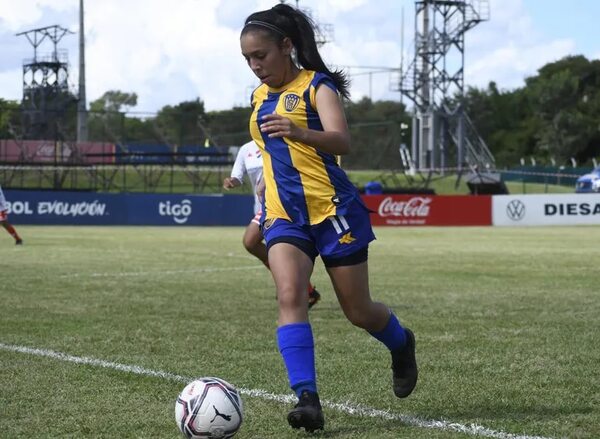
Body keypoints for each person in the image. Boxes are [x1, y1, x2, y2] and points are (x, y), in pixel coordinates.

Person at [240, 4, 417, 433]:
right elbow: (270, 148)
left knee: (358, 311)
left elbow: (342, 140)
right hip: (285, 216)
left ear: (287, 46)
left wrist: (299, 131)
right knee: (289, 295)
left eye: (261, 55)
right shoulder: (258, 97)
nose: (255, 65)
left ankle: (401, 343)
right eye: (247, 59)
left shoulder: (317, 88)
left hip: (333, 212)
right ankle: (307, 398)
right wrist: (266, 179)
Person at [223, 140, 321, 308]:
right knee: (269, 248)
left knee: (250, 241)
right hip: (260, 206)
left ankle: (297, 288)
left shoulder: (280, 141)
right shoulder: (246, 148)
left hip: (279, 203)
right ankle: (305, 290)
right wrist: (232, 181)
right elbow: (238, 177)